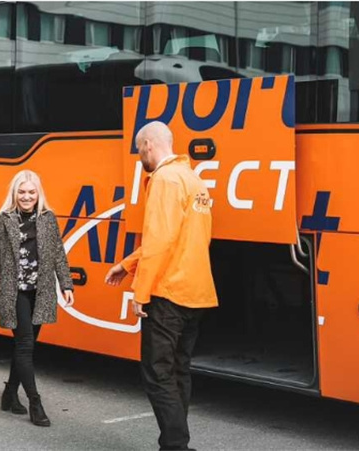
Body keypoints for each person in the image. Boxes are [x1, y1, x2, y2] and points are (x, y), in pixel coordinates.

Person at [104, 121, 218, 451]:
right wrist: (127, 265)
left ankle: (176, 446)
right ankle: (175, 443)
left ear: (149, 145)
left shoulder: (165, 180)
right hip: (196, 293)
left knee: (157, 374)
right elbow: (187, 239)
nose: (140, 155)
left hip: (169, 294)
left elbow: (160, 240)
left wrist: (140, 292)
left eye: (140, 149)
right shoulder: (195, 180)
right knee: (179, 371)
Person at [0, 169, 75, 427]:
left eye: (31, 191)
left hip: (39, 292)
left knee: (23, 347)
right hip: (13, 292)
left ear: (38, 193)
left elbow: (59, 254)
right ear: (14, 193)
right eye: (22, 191)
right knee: (26, 345)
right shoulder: (3, 220)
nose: (26, 197)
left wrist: (66, 284)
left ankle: (8, 394)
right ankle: (35, 403)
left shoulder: (48, 219)